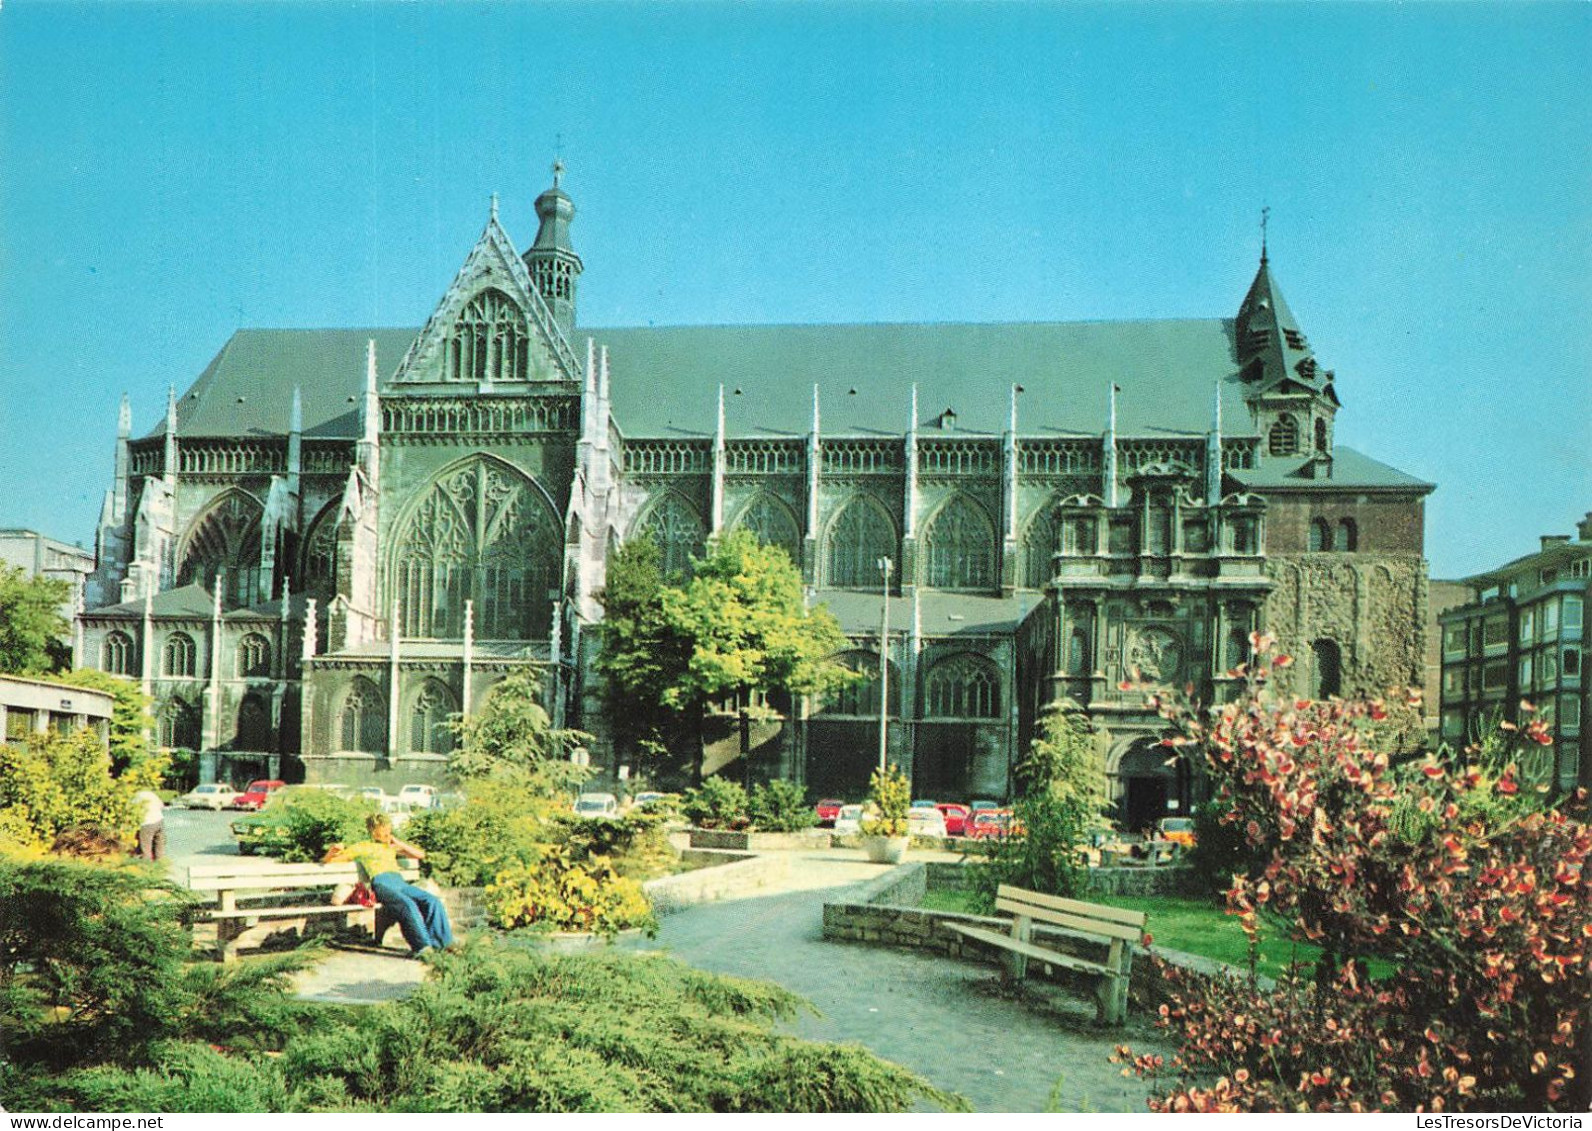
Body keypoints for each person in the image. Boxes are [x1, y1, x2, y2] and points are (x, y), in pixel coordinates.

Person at [324, 812, 453, 957]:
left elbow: (420, 855)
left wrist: (398, 843)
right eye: (383, 829)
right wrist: (331, 852)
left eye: (388, 828)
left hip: (400, 883)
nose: (387, 832)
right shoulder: (362, 846)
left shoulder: (391, 847)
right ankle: (422, 948)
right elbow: (331, 861)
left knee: (432, 901)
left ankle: (443, 945)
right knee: (407, 905)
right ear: (373, 832)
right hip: (382, 884)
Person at [131, 788, 165, 861]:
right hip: (159, 820)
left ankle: (147, 866)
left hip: (147, 823)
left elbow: (131, 811)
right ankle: (160, 864)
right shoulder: (151, 794)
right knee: (159, 844)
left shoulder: (136, 797)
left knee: (145, 848)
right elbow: (161, 805)